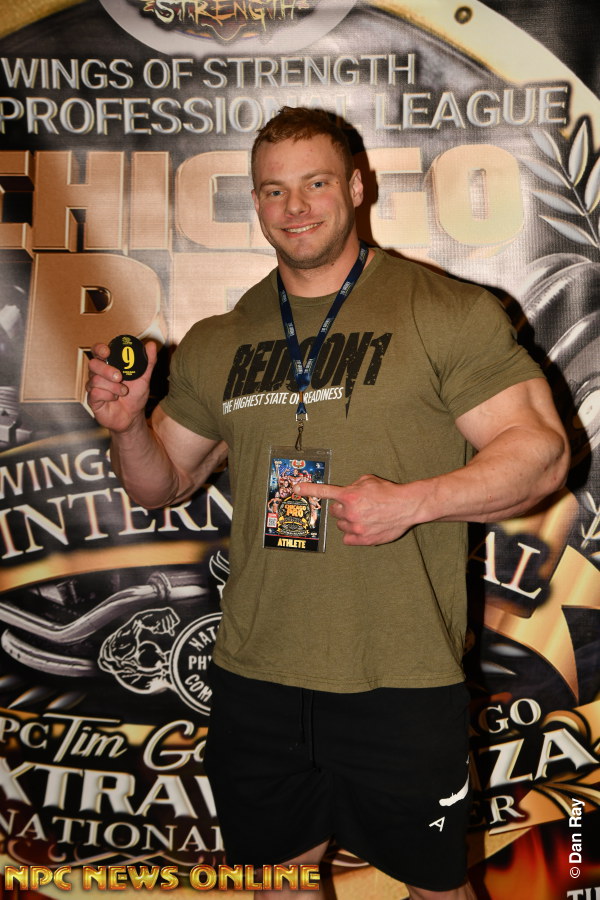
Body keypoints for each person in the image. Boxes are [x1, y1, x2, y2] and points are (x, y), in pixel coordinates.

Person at [87, 107, 569, 900]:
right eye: (274, 190)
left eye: (315, 183)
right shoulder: (221, 337)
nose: (295, 207)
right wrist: (128, 425)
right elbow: (159, 484)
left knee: (436, 890)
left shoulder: (441, 310)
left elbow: (540, 454)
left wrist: (414, 502)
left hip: (401, 675)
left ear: (356, 187)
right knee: (277, 883)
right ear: (255, 201)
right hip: (256, 674)